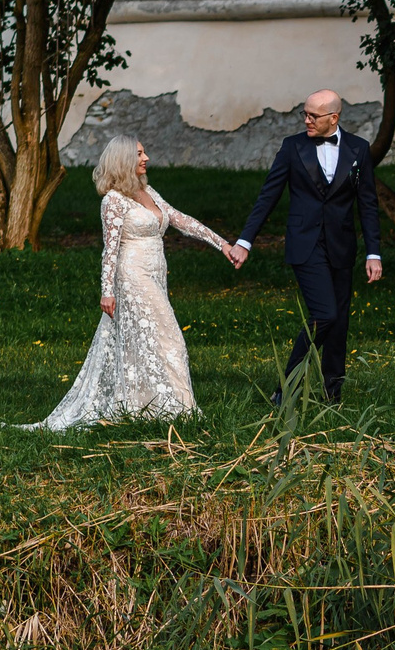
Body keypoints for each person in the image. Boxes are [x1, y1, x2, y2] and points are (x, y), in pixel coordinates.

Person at [16, 135, 234, 433]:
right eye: (140, 154)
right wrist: (107, 291)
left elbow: (179, 219)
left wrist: (222, 244)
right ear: (123, 161)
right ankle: (177, 410)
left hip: (155, 274)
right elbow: (110, 249)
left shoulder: (147, 191)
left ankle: (153, 406)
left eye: (145, 153)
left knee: (148, 341)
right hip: (132, 278)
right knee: (170, 339)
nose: (146, 159)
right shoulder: (113, 201)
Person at [228, 89, 382, 406]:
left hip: (342, 245)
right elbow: (267, 196)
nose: (307, 120)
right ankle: (288, 388)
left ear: (334, 118)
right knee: (324, 314)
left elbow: (367, 203)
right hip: (305, 244)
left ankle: (332, 394)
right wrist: (245, 240)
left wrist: (373, 252)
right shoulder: (292, 147)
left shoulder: (359, 150)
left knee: (339, 322)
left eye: (314, 115)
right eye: (305, 114)